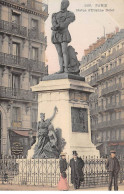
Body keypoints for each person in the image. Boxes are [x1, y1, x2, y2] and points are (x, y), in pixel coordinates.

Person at [51, 0, 75, 73]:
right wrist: (55, 26)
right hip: (56, 33)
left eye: (64, 3)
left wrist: (58, 26)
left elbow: (66, 22)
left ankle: (66, 69)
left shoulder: (70, 14)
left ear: (67, 5)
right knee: (59, 52)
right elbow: (53, 22)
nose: (62, 5)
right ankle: (61, 68)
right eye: (61, 3)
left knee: (64, 51)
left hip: (64, 32)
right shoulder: (55, 14)